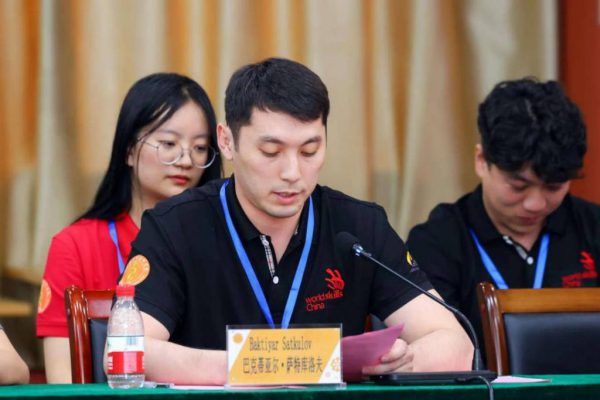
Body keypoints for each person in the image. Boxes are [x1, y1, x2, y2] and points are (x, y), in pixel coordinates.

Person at [119, 58, 473, 385]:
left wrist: (401, 363)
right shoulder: (175, 226)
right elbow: (128, 349)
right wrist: (263, 366)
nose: (292, 173)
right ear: (226, 142)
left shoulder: (358, 228)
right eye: (271, 152)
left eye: (309, 151)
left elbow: (457, 344)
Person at [36, 73, 222, 383]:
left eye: (200, 147)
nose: (186, 160)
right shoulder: (75, 245)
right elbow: (64, 380)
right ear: (129, 151)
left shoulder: (224, 241)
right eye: (169, 143)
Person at [407, 78, 598, 349]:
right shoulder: (437, 242)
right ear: (481, 160)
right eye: (518, 186)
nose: (535, 204)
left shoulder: (592, 228)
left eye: (553, 187)